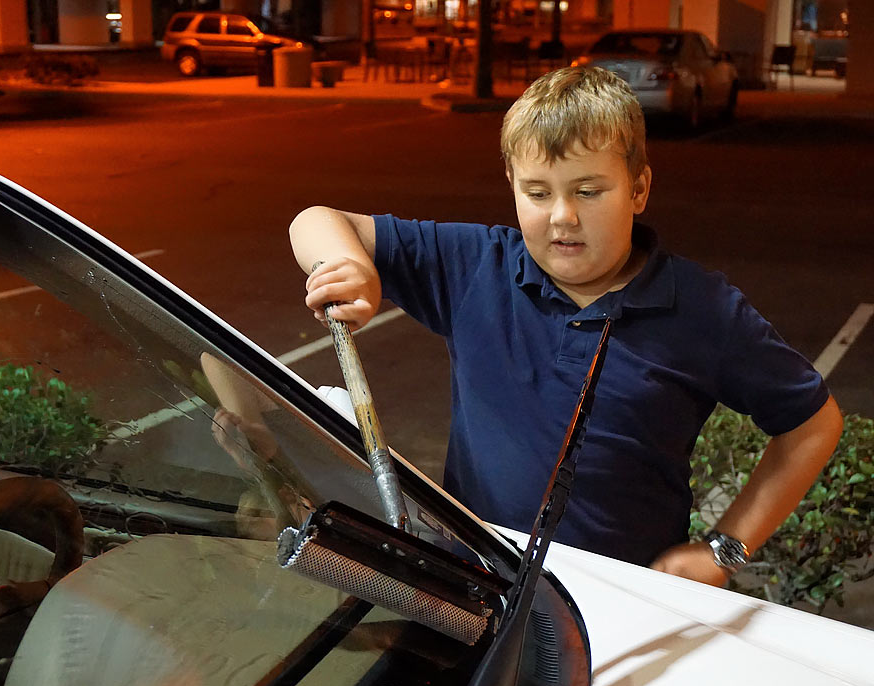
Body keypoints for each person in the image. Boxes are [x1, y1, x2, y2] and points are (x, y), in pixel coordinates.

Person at [288, 66, 842, 587]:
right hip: (478, 590)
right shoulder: (478, 266)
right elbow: (315, 221)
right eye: (537, 192)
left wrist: (725, 548)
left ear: (639, 189)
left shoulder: (704, 310)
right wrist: (351, 267)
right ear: (512, 186)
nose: (562, 216)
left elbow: (812, 425)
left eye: (588, 190)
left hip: (626, 608)